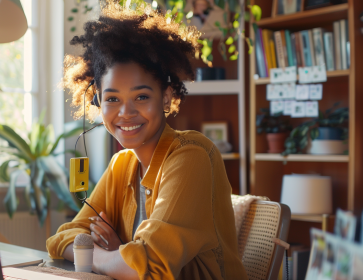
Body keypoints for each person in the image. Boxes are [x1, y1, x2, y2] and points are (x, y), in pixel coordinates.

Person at [46, 2, 247, 279]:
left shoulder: (191, 155)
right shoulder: (121, 165)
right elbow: (63, 238)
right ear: (98, 102)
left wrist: (115, 254)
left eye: (141, 97)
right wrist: (123, 256)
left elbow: (150, 266)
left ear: (165, 97)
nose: (126, 113)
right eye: (112, 99)